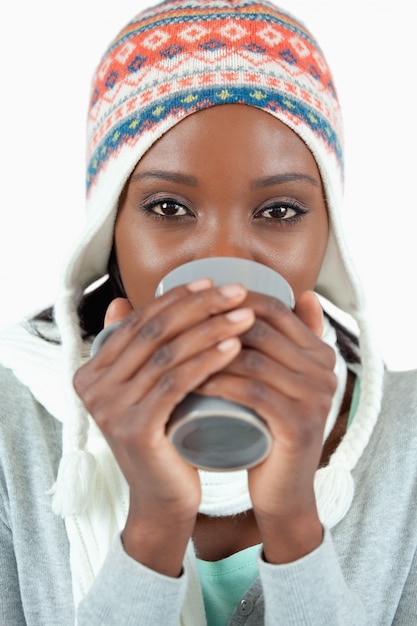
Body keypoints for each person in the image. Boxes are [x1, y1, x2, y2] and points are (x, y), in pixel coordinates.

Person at [1, 0, 416, 623]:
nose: (223, 260)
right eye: (169, 208)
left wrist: (294, 520)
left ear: (327, 237)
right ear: (109, 229)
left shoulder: (405, 443)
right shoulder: (15, 437)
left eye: (279, 211)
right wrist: (154, 524)